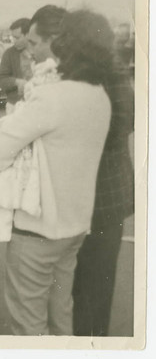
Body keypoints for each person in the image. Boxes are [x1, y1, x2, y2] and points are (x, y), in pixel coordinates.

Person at [0, 6, 113, 336]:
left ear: (62, 43)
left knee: (29, 326)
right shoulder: (99, 95)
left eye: (38, 41)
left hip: (37, 230)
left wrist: (14, 114)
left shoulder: (50, 98)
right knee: (60, 317)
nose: (32, 49)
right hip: (73, 228)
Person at [72, 27, 135, 336]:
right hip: (91, 195)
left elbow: (126, 120)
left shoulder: (111, 70)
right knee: (81, 280)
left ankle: (94, 342)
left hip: (106, 195)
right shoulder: (85, 70)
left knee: (97, 279)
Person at [0, 18, 34, 112]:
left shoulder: (40, 50)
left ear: (28, 35)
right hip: (15, 105)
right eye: (12, 37)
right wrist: (16, 82)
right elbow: (1, 80)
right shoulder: (9, 54)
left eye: (17, 37)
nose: (13, 41)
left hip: (39, 103)